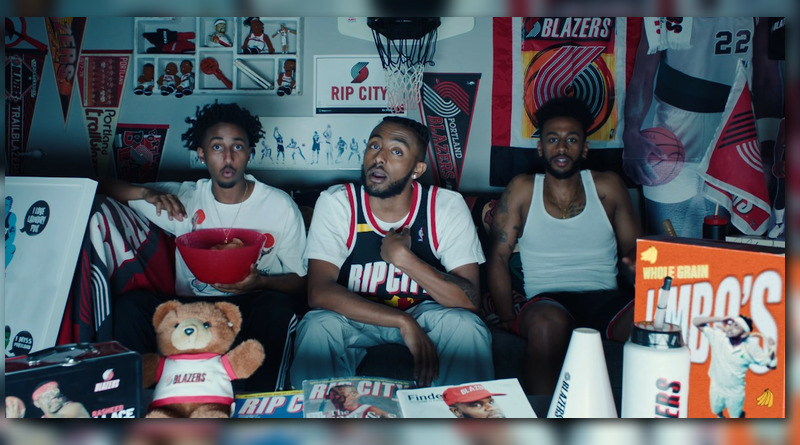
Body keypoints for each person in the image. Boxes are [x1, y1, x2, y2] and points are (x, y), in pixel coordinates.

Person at [103, 102, 307, 392]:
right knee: (131, 306)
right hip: (190, 306)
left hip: (251, 304)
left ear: (250, 153)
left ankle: (259, 403)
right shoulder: (184, 199)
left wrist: (260, 282)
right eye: (217, 147)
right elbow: (102, 186)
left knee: (276, 308)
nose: (228, 157)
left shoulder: (279, 206)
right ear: (201, 154)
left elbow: (302, 282)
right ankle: (138, 401)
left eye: (237, 147)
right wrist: (146, 192)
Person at [290, 116, 493, 389]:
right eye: (374, 146)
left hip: (426, 315)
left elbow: (469, 300)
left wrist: (403, 259)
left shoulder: (445, 207)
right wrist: (402, 321)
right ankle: (322, 416)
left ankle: (462, 414)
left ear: (417, 169)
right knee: (317, 326)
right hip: (356, 318)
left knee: (467, 328)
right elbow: (319, 292)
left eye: (396, 151)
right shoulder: (338, 203)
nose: (379, 158)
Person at [487, 96, 641, 396]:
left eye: (571, 139)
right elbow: (498, 257)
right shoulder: (523, 189)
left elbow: (635, 252)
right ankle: (544, 418)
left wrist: (637, 265)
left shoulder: (607, 187)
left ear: (584, 148)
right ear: (540, 148)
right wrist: (507, 317)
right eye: (552, 139)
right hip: (547, 302)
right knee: (548, 323)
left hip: (605, 298)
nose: (561, 147)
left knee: (652, 323)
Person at [622, 18, 783, 238]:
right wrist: (631, 132)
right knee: (671, 247)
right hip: (672, 137)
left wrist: (768, 146)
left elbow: (766, 78)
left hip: (735, 133)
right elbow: (643, 75)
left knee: (730, 247)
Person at [692, 315, 777, 418]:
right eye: (731, 324)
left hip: (735, 393)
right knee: (716, 410)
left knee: (735, 417)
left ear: (744, 334)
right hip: (716, 387)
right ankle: (720, 416)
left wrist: (771, 349)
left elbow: (771, 365)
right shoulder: (718, 337)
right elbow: (695, 322)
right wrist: (719, 319)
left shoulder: (751, 347)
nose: (730, 328)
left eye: (736, 327)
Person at [325, 384, 394, 418]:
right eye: (333, 397)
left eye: (341, 395)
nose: (336, 398)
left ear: (355, 395)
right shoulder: (329, 414)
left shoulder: (368, 410)